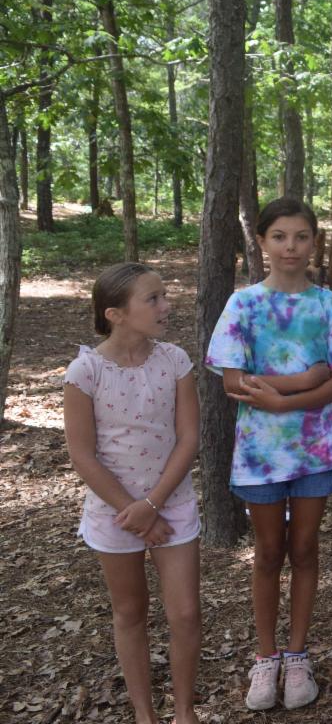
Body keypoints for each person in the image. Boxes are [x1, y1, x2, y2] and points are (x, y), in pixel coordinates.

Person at [205, 198, 332, 711]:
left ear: (314, 242)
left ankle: (297, 655)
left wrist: (282, 395)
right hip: (259, 454)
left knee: (305, 549)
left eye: (300, 236)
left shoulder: (329, 305)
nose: (290, 247)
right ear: (261, 242)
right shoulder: (243, 304)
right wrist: (302, 381)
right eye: (279, 236)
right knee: (268, 553)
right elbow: (234, 382)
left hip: (315, 451)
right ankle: (265, 656)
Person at [63, 263, 201, 724]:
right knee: (130, 612)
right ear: (115, 314)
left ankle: (184, 712)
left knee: (185, 613)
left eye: (164, 295)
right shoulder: (85, 372)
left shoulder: (175, 361)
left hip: (172, 503)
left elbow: (188, 438)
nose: (166, 306)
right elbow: (83, 455)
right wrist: (134, 510)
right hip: (114, 513)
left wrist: (153, 505)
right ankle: (145, 715)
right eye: (153, 299)